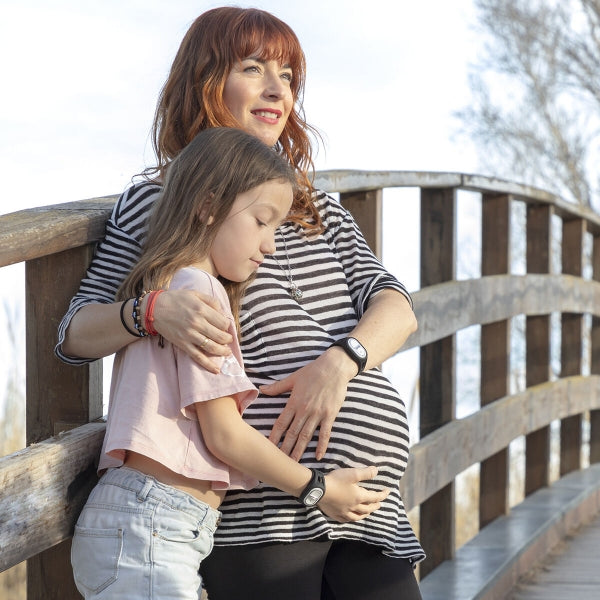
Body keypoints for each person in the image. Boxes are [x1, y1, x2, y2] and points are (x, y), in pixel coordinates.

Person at [57, 7, 425, 599]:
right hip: (264, 520)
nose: (277, 89)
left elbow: (397, 307)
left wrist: (340, 363)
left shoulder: (318, 209)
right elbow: (76, 331)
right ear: (206, 81)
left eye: (288, 75)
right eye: (254, 68)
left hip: (366, 509)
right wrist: (148, 313)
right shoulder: (160, 202)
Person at [70, 127, 388, 600]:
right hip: (153, 525)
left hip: (152, 526)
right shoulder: (197, 295)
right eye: (262, 221)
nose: (272, 245)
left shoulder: (168, 285)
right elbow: (223, 434)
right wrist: (318, 489)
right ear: (209, 205)